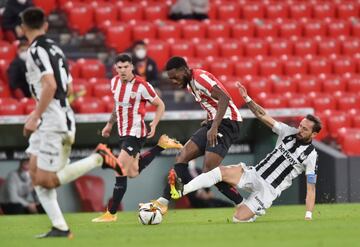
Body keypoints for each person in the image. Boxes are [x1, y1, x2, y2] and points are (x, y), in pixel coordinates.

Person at [21, 7, 124, 238]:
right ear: (45, 25)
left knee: (46, 180)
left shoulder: (36, 51)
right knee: (35, 174)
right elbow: (68, 86)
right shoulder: (56, 48)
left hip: (52, 121)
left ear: (23, 28)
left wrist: (36, 114)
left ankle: (99, 158)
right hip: (53, 117)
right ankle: (60, 227)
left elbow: (51, 85)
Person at [169, 82, 321, 222]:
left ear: (314, 134)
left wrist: (308, 215)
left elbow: (311, 188)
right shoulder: (288, 132)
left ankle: (251, 211)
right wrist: (247, 98)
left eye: (305, 129)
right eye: (301, 126)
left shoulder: (311, 155)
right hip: (254, 174)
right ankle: (183, 189)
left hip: (268, 189)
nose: (300, 130)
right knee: (218, 172)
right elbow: (263, 115)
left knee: (238, 219)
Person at [146, 56, 244, 215]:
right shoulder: (190, 84)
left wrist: (215, 125)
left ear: (183, 70)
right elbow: (212, 103)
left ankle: (243, 204)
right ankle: (163, 202)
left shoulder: (199, 78)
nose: (174, 81)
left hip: (227, 123)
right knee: (182, 156)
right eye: (170, 79)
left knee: (209, 171)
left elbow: (224, 98)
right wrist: (209, 120)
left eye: (175, 77)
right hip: (214, 123)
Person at [91, 54, 183, 223]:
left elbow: (160, 105)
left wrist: (154, 124)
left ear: (132, 67)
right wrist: (109, 125)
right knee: (132, 172)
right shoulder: (114, 83)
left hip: (136, 132)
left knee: (119, 168)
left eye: (126, 67)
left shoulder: (142, 85)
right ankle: (161, 146)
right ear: (116, 69)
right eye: (119, 68)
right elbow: (117, 106)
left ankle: (111, 213)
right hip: (122, 132)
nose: (123, 70)